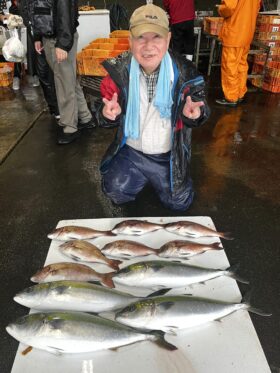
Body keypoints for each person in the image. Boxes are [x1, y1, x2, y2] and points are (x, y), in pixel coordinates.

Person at [98, 3, 210, 211]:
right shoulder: (117, 73)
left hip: (167, 154)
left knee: (180, 203)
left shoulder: (187, 74)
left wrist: (194, 115)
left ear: (168, 39)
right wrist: (106, 115)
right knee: (115, 191)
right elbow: (101, 111)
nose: (148, 46)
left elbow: (203, 110)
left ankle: (164, 179)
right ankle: (139, 176)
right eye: (141, 37)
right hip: (132, 151)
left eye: (156, 37)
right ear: (130, 41)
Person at [34, 0, 95, 144]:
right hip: (51, 36)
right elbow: (39, 10)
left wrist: (63, 43)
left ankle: (70, 127)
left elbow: (65, 11)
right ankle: (85, 117)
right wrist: (38, 36)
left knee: (64, 82)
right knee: (69, 79)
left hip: (58, 38)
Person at [18, 0, 60, 119]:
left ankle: (60, 108)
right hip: (37, 36)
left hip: (48, 34)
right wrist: (36, 37)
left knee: (53, 73)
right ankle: (54, 108)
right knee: (43, 74)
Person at [215, 0, 261, 106]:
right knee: (241, 65)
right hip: (247, 33)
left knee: (229, 66)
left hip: (234, 33)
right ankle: (240, 93)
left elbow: (228, 7)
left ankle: (231, 97)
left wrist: (220, 9)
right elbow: (257, 8)